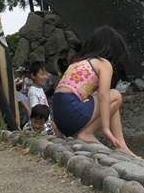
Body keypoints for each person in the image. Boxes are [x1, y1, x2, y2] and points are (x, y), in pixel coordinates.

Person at [51, 25, 138, 158]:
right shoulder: (103, 63)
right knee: (115, 95)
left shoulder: (78, 63)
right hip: (72, 111)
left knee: (112, 100)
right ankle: (88, 133)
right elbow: (104, 95)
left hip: (61, 117)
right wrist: (105, 128)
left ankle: (122, 146)